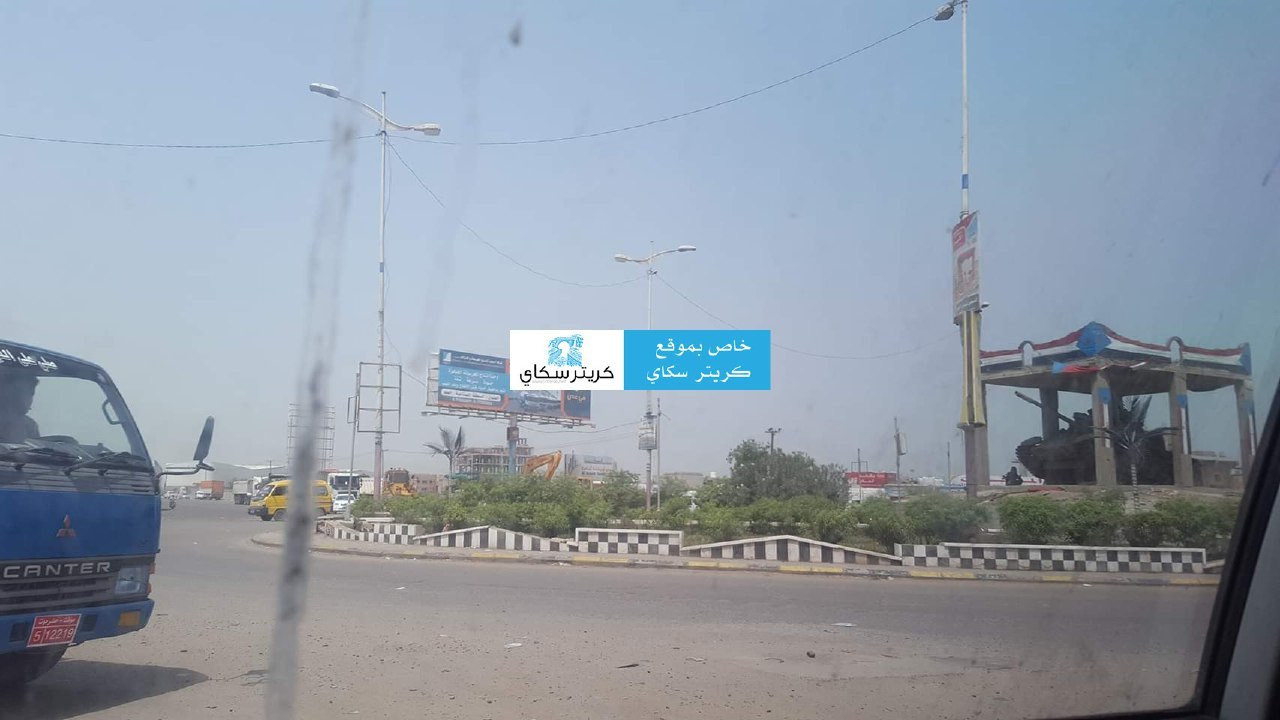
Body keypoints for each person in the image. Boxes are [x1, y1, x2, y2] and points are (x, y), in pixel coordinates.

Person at [0, 369, 40, 443]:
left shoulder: (30, 426)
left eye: (31, 394)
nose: (29, 399)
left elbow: (35, 449)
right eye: (27, 393)